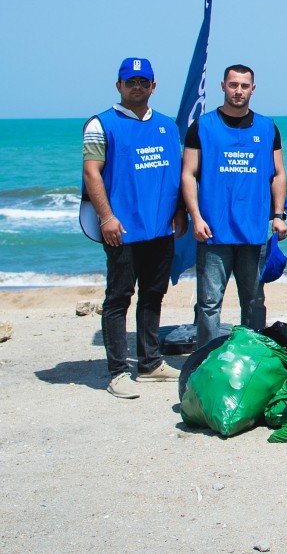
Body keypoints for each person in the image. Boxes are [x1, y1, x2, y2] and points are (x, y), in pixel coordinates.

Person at [81, 57, 187, 398]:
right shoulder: (101, 124)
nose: (137, 87)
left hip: (160, 228)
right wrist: (107, 217)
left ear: (153, 86)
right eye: (131, 82)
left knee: (153, 295)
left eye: (143, 82)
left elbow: (176, 173)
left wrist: (181, 210)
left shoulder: (168, 126)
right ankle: (116, 371)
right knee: (118, 298)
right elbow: (92, 173)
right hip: (122, 229)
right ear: (119, 86)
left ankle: (150, 362)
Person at [180, 64, 287, 349]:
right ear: (223, 86)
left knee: (254, 302)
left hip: (253, 232)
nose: (238, 91)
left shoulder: (267, 127)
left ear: (253, 88)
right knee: (209, 303)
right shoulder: (203, 126)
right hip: (214, 231)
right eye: (233, 85)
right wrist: (195, 217)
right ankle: (205, 360)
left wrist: (278, 216)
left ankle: (251, 357)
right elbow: (188, 174)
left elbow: (278, 173)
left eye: (244, 85)